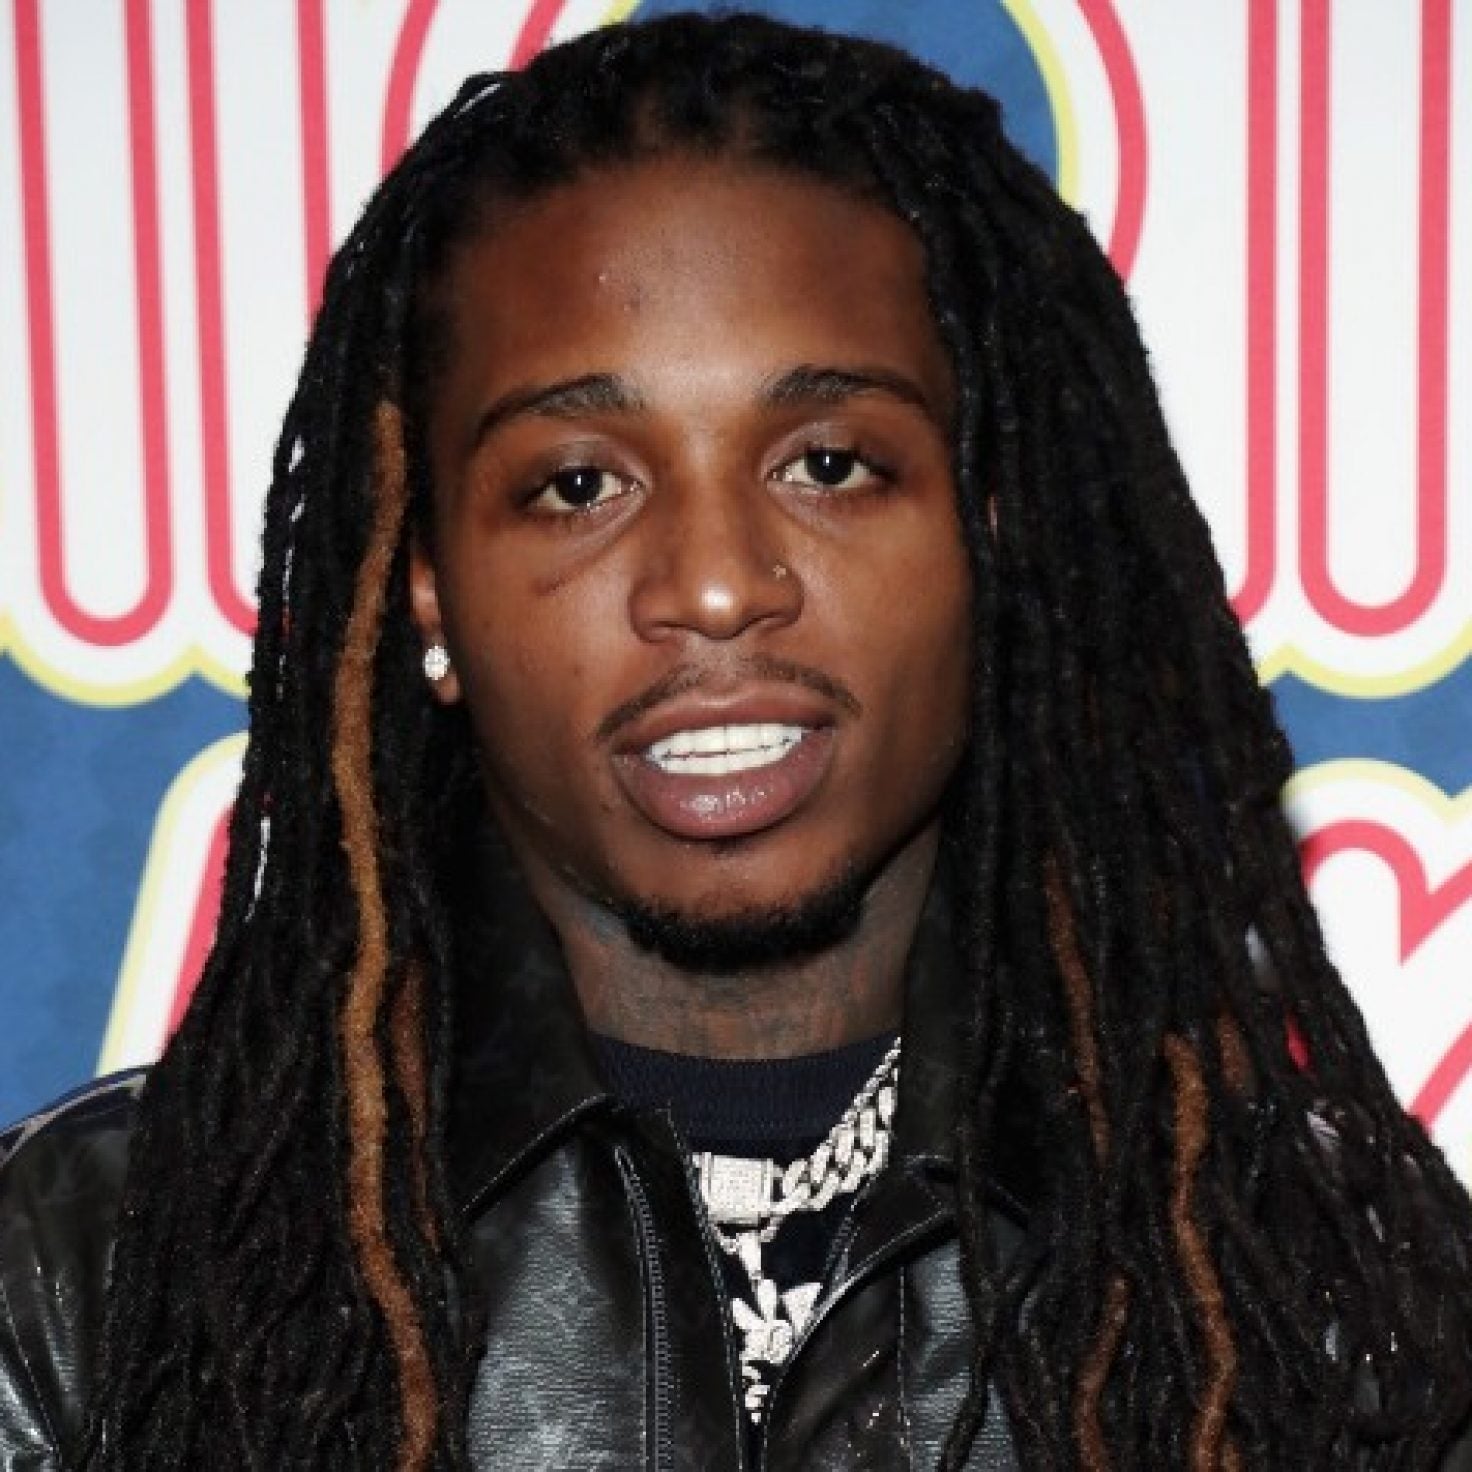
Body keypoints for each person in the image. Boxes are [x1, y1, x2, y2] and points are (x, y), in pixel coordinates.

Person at [1, 12, 1469, 1470]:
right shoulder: (94, 1278)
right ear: (427, 586)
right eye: (579, 485)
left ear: (990, 538)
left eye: (829, 464)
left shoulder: (1313, 1293)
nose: (713, 586)